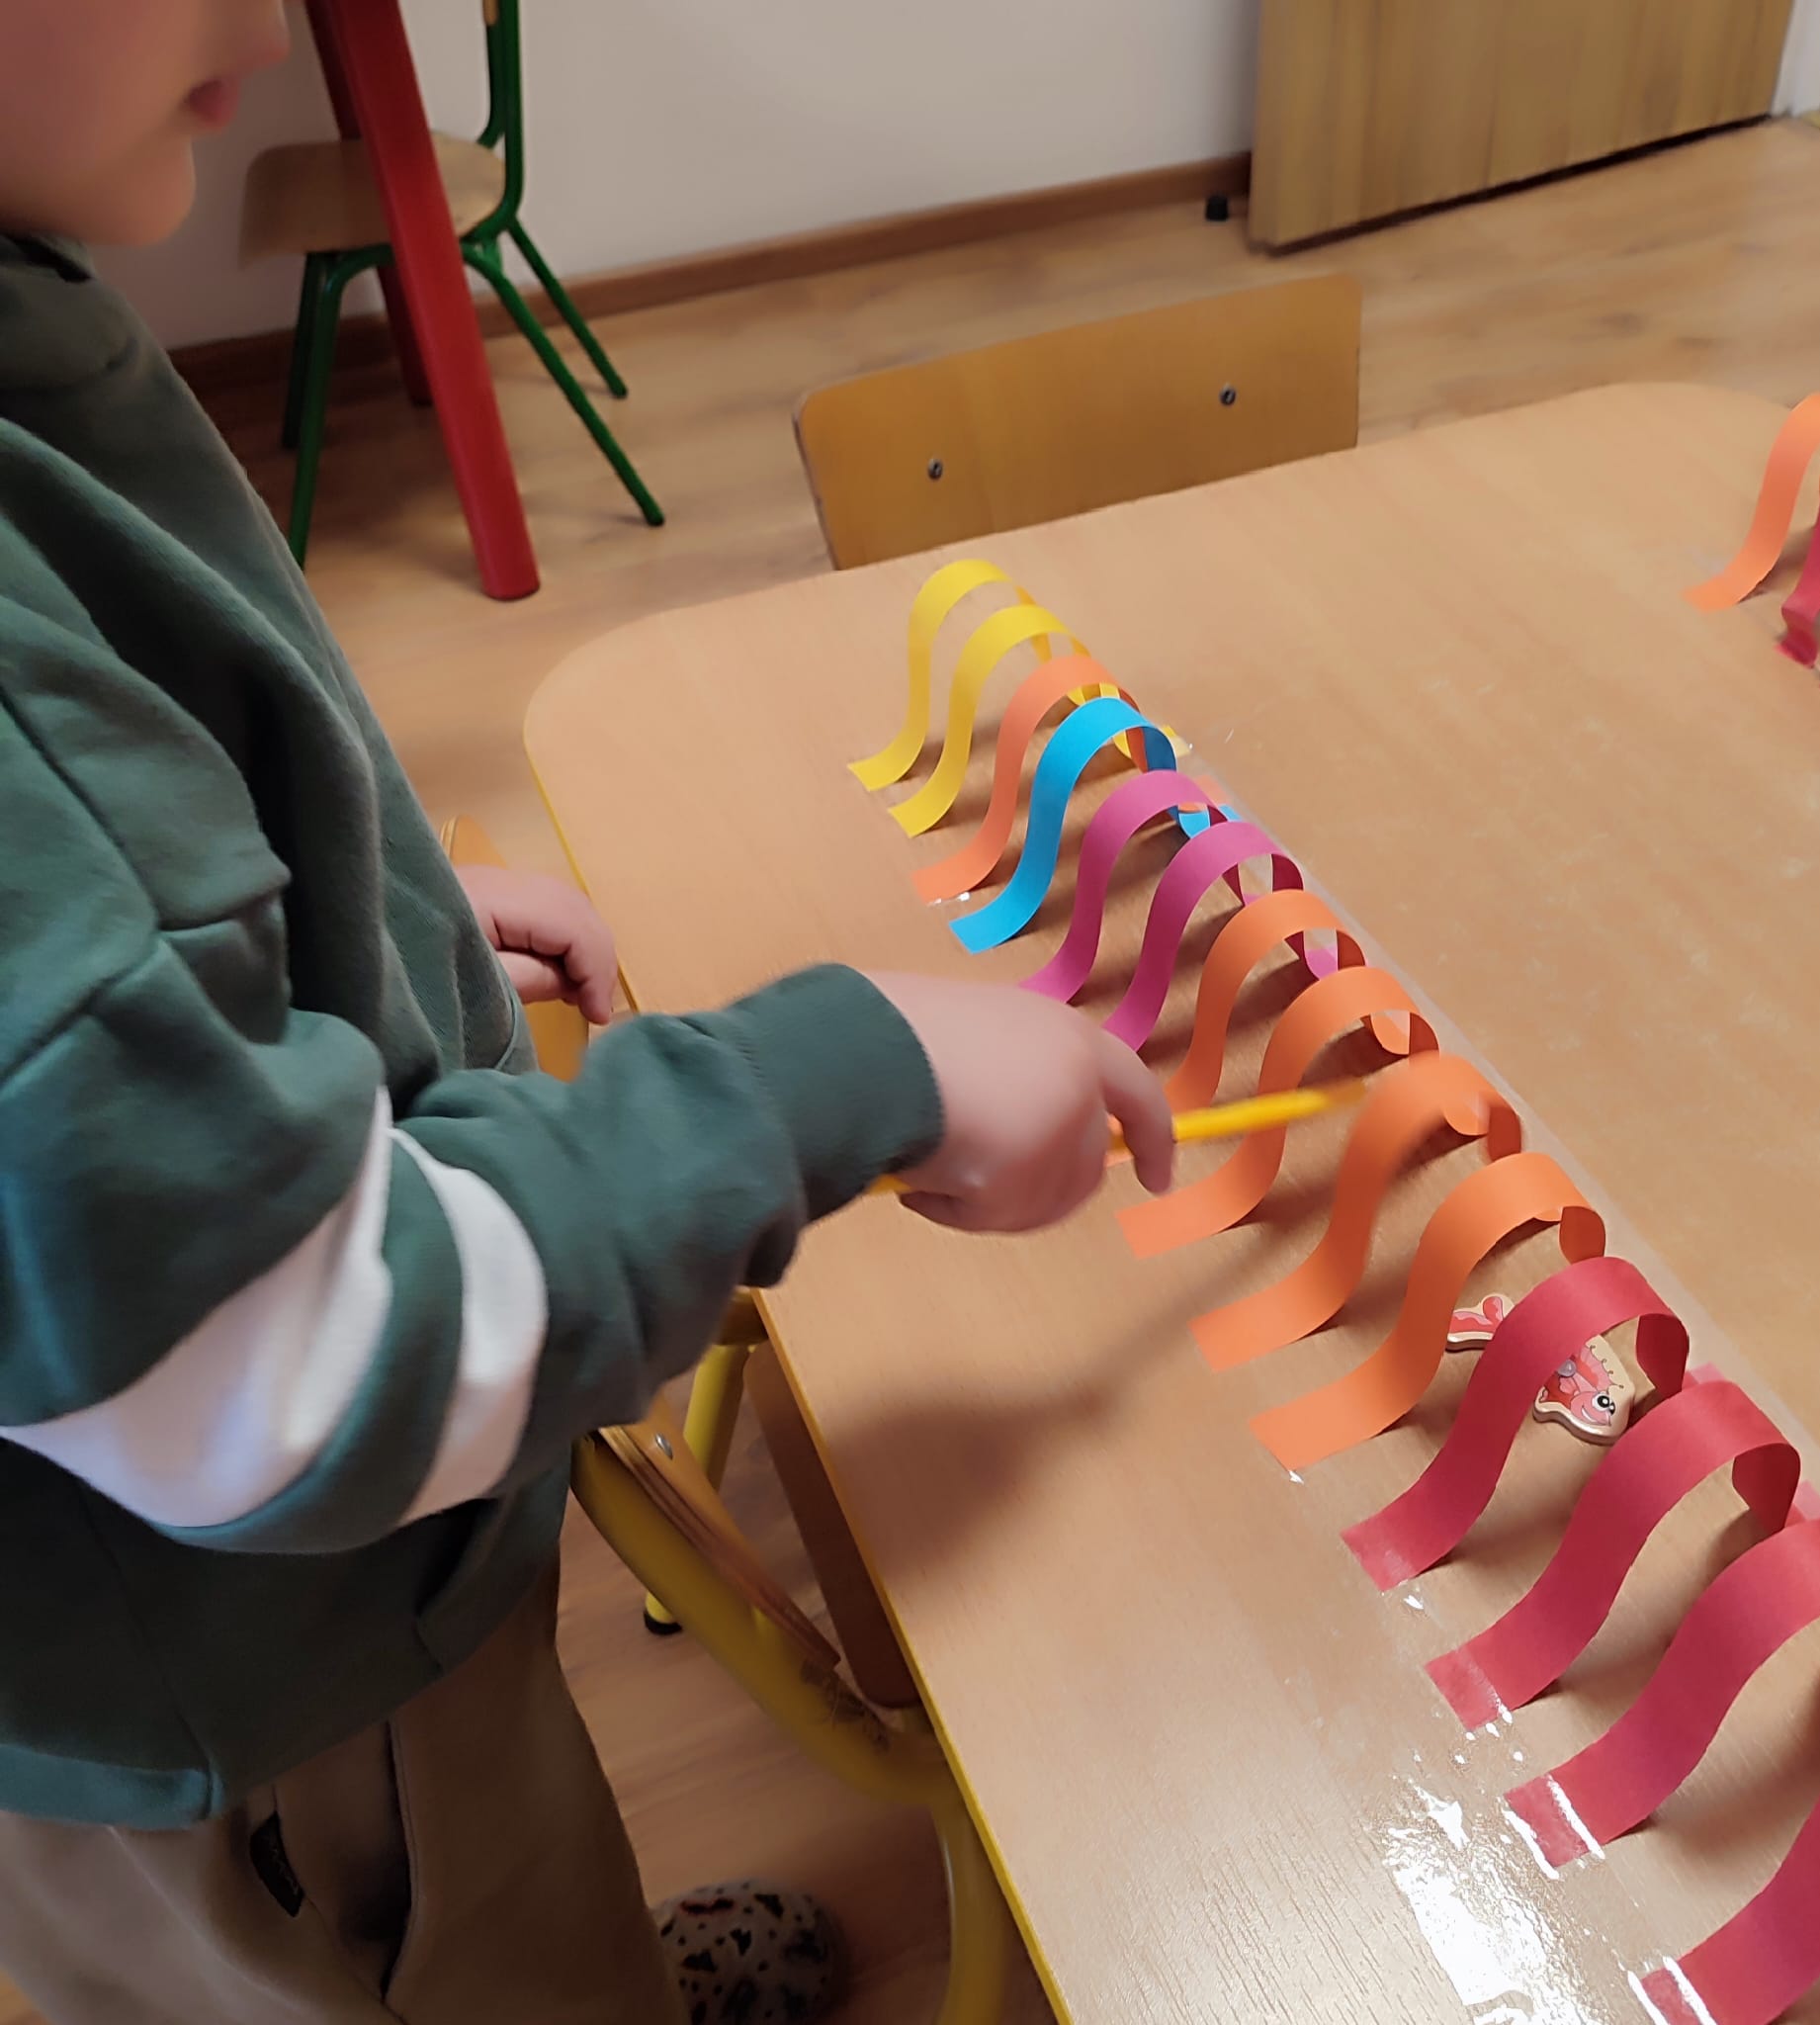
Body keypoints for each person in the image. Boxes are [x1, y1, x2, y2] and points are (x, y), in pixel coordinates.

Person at [0, 6, 1174, 2022]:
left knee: (523, 1892)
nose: (272, 16)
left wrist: (356, 910)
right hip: (273, 1701)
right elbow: (286, 1372)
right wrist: (849, 1068)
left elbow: (98, 914)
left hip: (280, 1642)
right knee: (469, 1959)